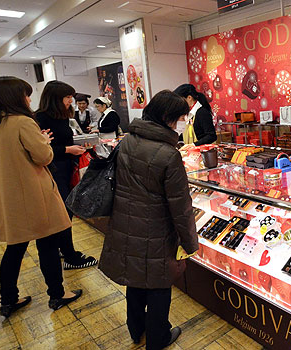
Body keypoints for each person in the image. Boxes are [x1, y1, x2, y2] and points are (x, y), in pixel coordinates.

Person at [99, 90, 198, 350]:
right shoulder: (168, 154)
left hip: (126, 223)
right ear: (168, 118)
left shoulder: (128, 140)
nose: (183, 122)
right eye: (181, 118)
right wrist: (190, 243)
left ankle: (136, 330)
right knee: (158, 284)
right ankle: (158, 338)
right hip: (156, 230)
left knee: (135, 280)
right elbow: (181, 208)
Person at [0, 76, 82, 317]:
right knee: (47, 245)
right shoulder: (22, 122)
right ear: (14, 97)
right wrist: (44, 141)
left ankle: (8, 300)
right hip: (33, 194)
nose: (29, 99)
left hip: (7, 196)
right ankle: (57, 295)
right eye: (25, 94)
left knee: (14, 249)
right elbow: (43, 157)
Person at [35, 81, 98, 270]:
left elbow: (64, 139)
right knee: (63, 211)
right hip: (54, 170)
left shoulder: (63, 116)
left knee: (66, 209)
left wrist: (78, 147)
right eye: (68, 97)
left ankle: (65, 249)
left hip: (67, 167)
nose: (71, 101)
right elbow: (41, 150)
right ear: (55, 98)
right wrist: (67, 149)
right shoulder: (40, 118)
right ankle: (70, 256)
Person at [173, 84, 216, 150]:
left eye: (181, 100)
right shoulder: (188, 113)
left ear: (189, 98)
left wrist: (194, 145)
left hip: (204, 153)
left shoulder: (202, 112)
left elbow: (211, 136)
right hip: (192, 153)